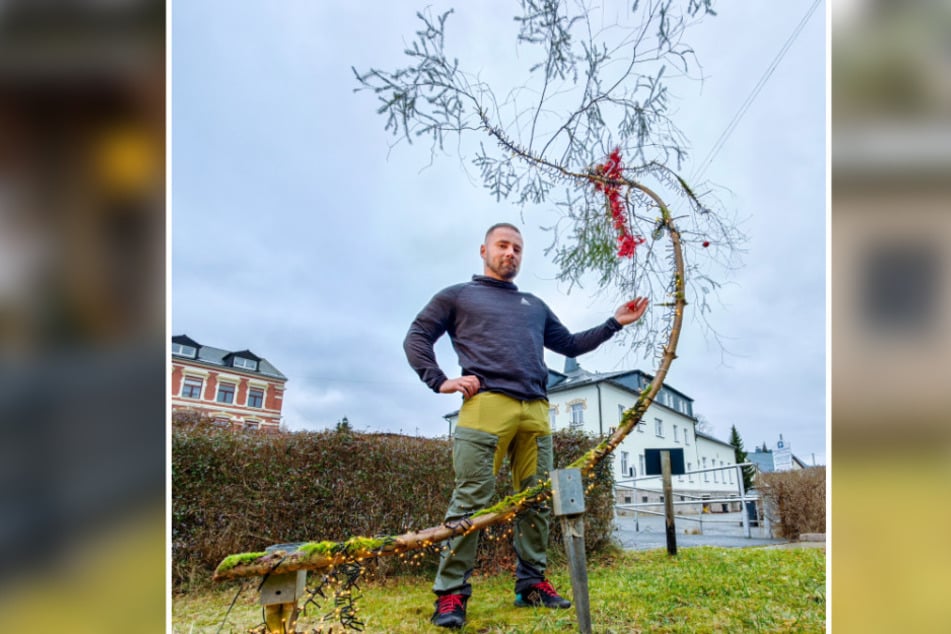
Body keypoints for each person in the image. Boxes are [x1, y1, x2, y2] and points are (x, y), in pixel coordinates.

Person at [404, 222, 649, 629]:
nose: (511, 253)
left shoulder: (533, 306)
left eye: (517, 248)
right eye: (503, 245)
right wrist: (440, 380)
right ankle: (450, 594)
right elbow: (417, 336)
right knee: (470, 502)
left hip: (536, 409)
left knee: (535, 500)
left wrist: (614, 323)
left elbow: (568, 344)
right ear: (483, 250)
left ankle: (531, 585)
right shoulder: (457, 296)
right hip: (485, 406)